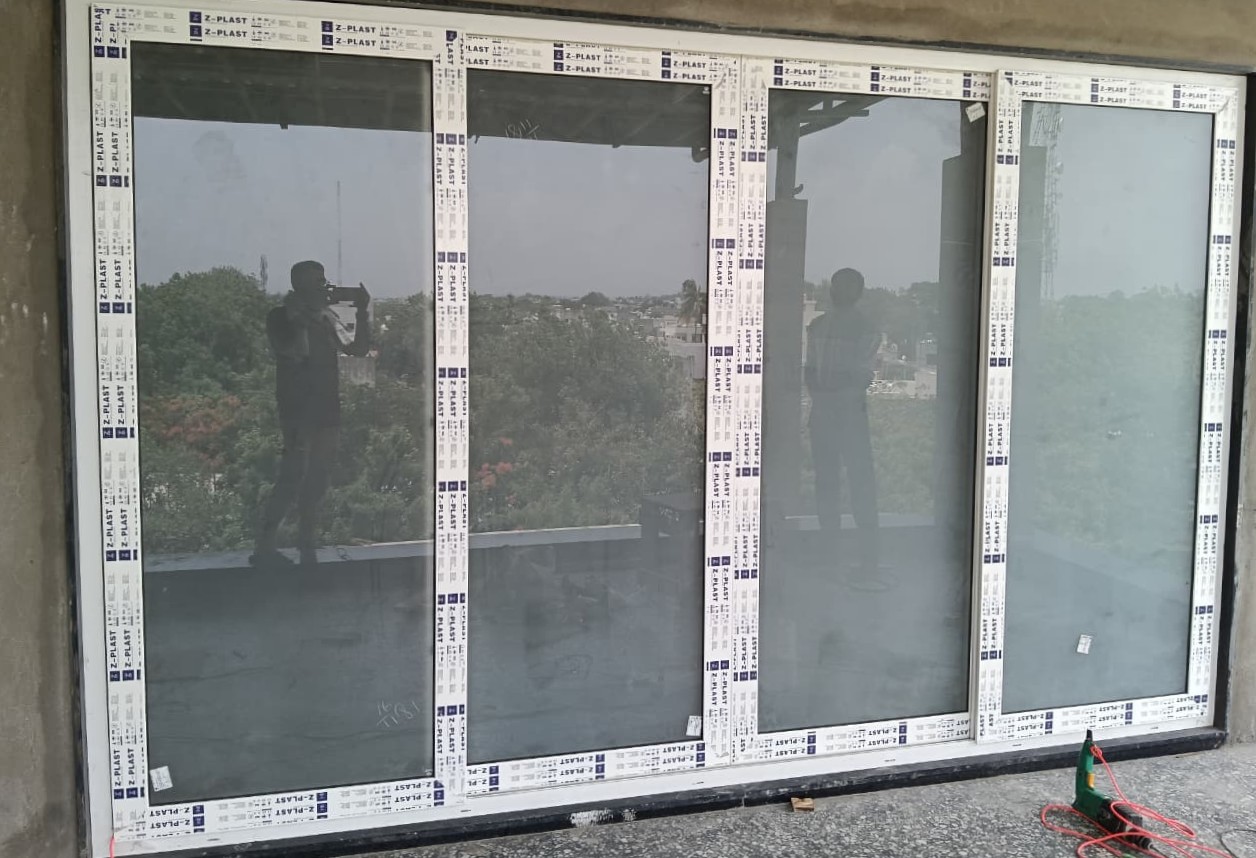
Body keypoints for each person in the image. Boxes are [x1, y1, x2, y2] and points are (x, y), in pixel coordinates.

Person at [250, 260, 370, 567]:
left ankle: (307, 539)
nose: (324, 287)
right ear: (299, 286)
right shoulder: (280, 317)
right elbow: (293, 352)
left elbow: (356, 349)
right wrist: (300, 318)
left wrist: (361, 311)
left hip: (326, 408)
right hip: (298, 411)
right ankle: (264, 545)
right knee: (292, 476)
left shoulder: (325, 319)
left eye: (323, 281)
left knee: (318, 477)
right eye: (317, 282)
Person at [804, 267, 880, 577]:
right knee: (829, 483)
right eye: (838, 285)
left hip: (845, 416)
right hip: (830, 415)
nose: (840, 292)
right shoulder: (818, 326)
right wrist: (826, 395)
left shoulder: (865, 329)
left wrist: (825, 395)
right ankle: (832, 555)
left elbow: (860, 376)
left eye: (847, 287)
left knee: (857, 484)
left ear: (857, 292)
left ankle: (867, 559)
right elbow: (811, 370)